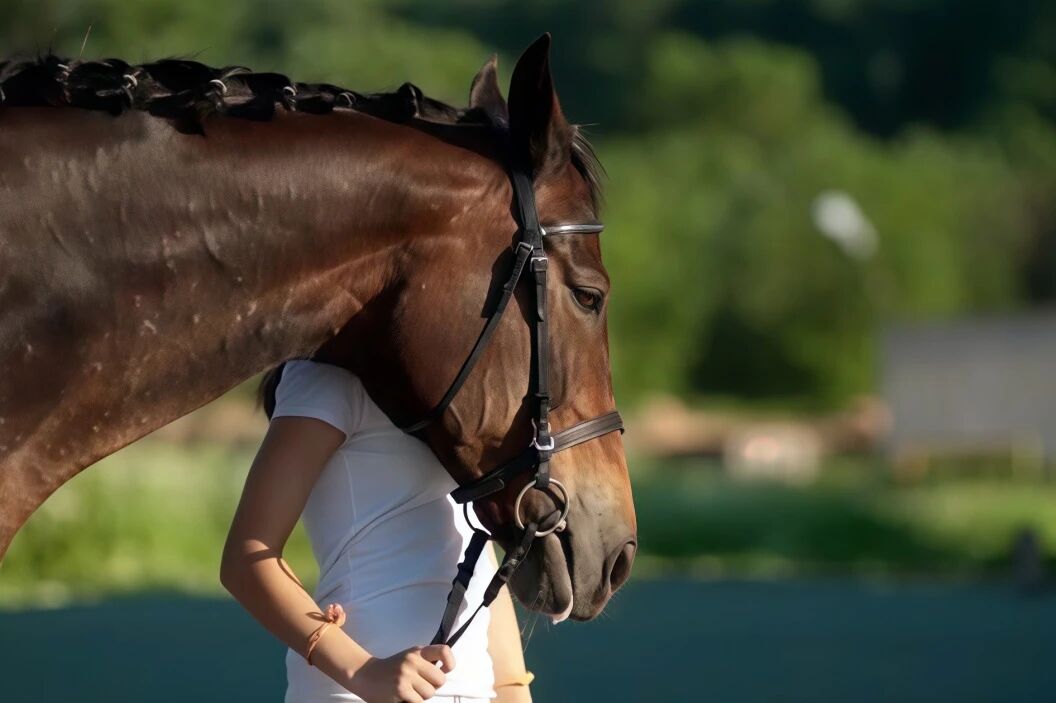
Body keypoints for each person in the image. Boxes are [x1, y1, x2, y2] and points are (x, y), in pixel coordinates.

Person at [221, 359, 534, 703]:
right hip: (354, 693)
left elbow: (472, 541)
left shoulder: (450, 381)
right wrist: (364, 671)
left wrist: (512, 690)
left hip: (473, 691)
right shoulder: (327, 374)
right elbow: (246, 558)